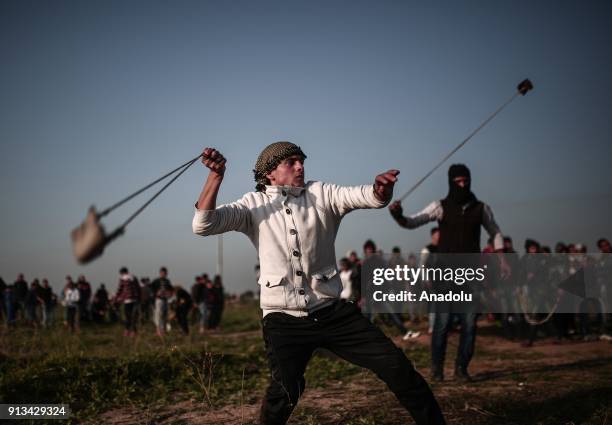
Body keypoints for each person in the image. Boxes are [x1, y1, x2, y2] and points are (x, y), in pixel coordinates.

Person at [192, 142, 444, 424]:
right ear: (270, 174)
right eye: (291, 162)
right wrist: (216, 177)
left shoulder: (321, 193)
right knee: (286, 391)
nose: (300, 166)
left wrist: (380, 190)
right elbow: (203, 224)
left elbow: (367, 197)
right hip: (282, 318)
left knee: (396, 365)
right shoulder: (253, 205)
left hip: (332, 312)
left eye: (302, 161)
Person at [389, 163, 509, 382]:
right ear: (451, 183)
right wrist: (398, 215)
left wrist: (502, 259)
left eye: (465, 181)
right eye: (458, 182)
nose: (462, 185)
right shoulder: (440, 206)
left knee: (470, 324)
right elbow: (412, 222)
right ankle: (437, 371)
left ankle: (462, 369)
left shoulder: (482, 208)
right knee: (442, 324)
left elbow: (496, 232)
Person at [115, 267, 140, 337]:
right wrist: (139, 298)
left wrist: (116, 298)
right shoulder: (134, 277)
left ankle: (127, 331)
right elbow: (138, 288)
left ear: (122, 273)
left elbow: (120, 289)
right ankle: (133, 331)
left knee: (128, 316)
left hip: (127, 300)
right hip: (135, 299)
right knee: (133, 316)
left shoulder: (123, 278)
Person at [151, 267, 173, 336]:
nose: (164, 274)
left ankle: (163, 330)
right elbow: (151, 289)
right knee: (158, 315)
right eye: (163, 273)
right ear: (160, 273)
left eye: (166, 273)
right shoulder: (156, 281)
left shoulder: (167, 281)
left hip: (165, 300)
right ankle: (158, 330)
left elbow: (171, 289)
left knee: (164, 315)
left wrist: (170, 294)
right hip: (159, 300)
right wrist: (156, 293)